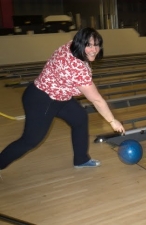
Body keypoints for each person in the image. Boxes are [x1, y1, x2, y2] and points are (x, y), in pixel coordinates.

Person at [0, 27, 125, 173]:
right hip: (43, 100)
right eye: (89, 45)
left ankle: (81, 159)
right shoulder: (77, 68)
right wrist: (112, 121)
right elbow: (97, 100)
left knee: (79, 118)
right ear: (80, 43)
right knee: (30, 140)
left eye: (96, 44)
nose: (94, 49)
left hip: (57, 96)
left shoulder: (72, 45)